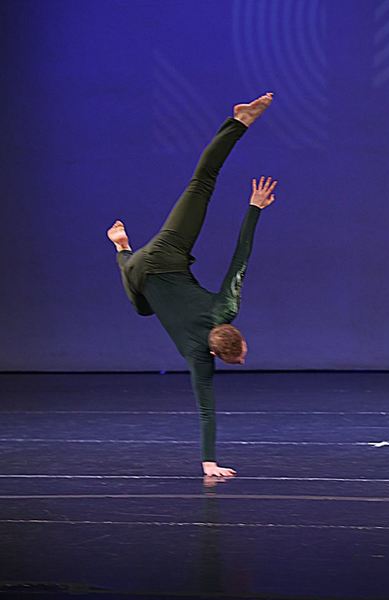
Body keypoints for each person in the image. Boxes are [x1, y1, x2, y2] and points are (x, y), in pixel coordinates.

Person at [107, 92, 278, 477]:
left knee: (202, 182)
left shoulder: (226, 308)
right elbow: (205, 409)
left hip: (165, 254)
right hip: (139, 273)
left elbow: (241, 257)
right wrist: (209, 463)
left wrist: (254, 207)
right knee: (142, 306)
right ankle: (121, 248)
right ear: (218, 350)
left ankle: (239, 122)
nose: (243, 358)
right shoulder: (199, 358)